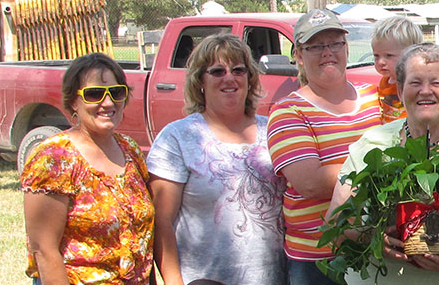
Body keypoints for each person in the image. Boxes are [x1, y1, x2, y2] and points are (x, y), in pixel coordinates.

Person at [327, 42, 439, 284]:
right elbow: (335, 222)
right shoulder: (373, 145)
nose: (425, 91)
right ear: (401, 90)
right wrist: (374, 240)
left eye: (436, 83)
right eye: (415, 83)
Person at [147, 34, 287, 285]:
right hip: (204, 279)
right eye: (217, 71)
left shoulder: (275, 131)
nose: (229, 78)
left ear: (250, 78)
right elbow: (162, 220)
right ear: (200, 80)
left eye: (238, 70)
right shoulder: (178, 137)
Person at [267, 9, 382, 284]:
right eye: (316, 46)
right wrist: (383, 167)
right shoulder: (288, 112)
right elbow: (311, 182)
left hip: (375, 251)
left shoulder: (375, 96)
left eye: (334, 43)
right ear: (298, 54)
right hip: (317, 259)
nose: (327, 52)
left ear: (346, 47)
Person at [21, 53, 153, 284]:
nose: (108, 102)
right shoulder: (54, 158)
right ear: (73, 101)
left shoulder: (130, 151)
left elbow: (142, 241)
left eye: (116, 92)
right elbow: (44, 250)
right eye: (94, 94)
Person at [371, 16, 422, 123]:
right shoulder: (385, 81)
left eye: (389, 56)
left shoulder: (415, 83)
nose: (381, 62)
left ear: (411, 55)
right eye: (376, 56)